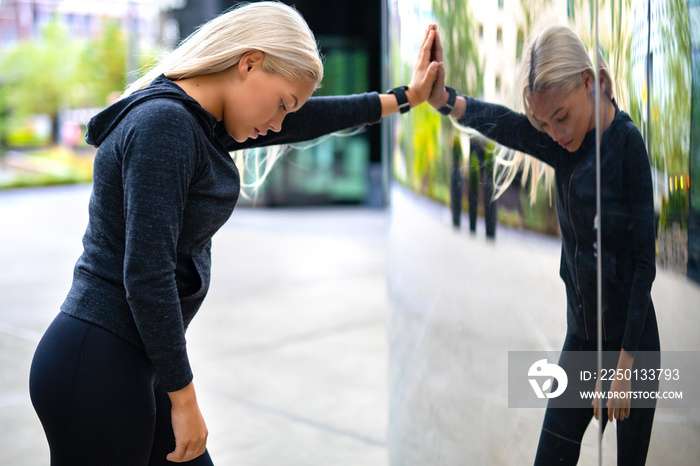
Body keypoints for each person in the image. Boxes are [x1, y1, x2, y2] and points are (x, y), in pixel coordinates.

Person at [28, 3, 440, 464]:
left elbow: (309, 118)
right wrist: (184, 399)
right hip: (98, 365)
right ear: (249, 63)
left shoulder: (196, 122)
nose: (280, 123)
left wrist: (405, 97)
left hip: (132, 359)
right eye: (282, 104)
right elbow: (146, 274)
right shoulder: (166, 125)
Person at [427, 24, 659, 464]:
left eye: (561, 117)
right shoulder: (562, 145)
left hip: (634, 346)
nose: (554, 133)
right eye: (543, 123)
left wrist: (625, 366)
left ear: (589, 83)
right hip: (583, 339)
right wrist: (446, 101)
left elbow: (644, 264)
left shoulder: (627, 144)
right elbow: (506, 126)